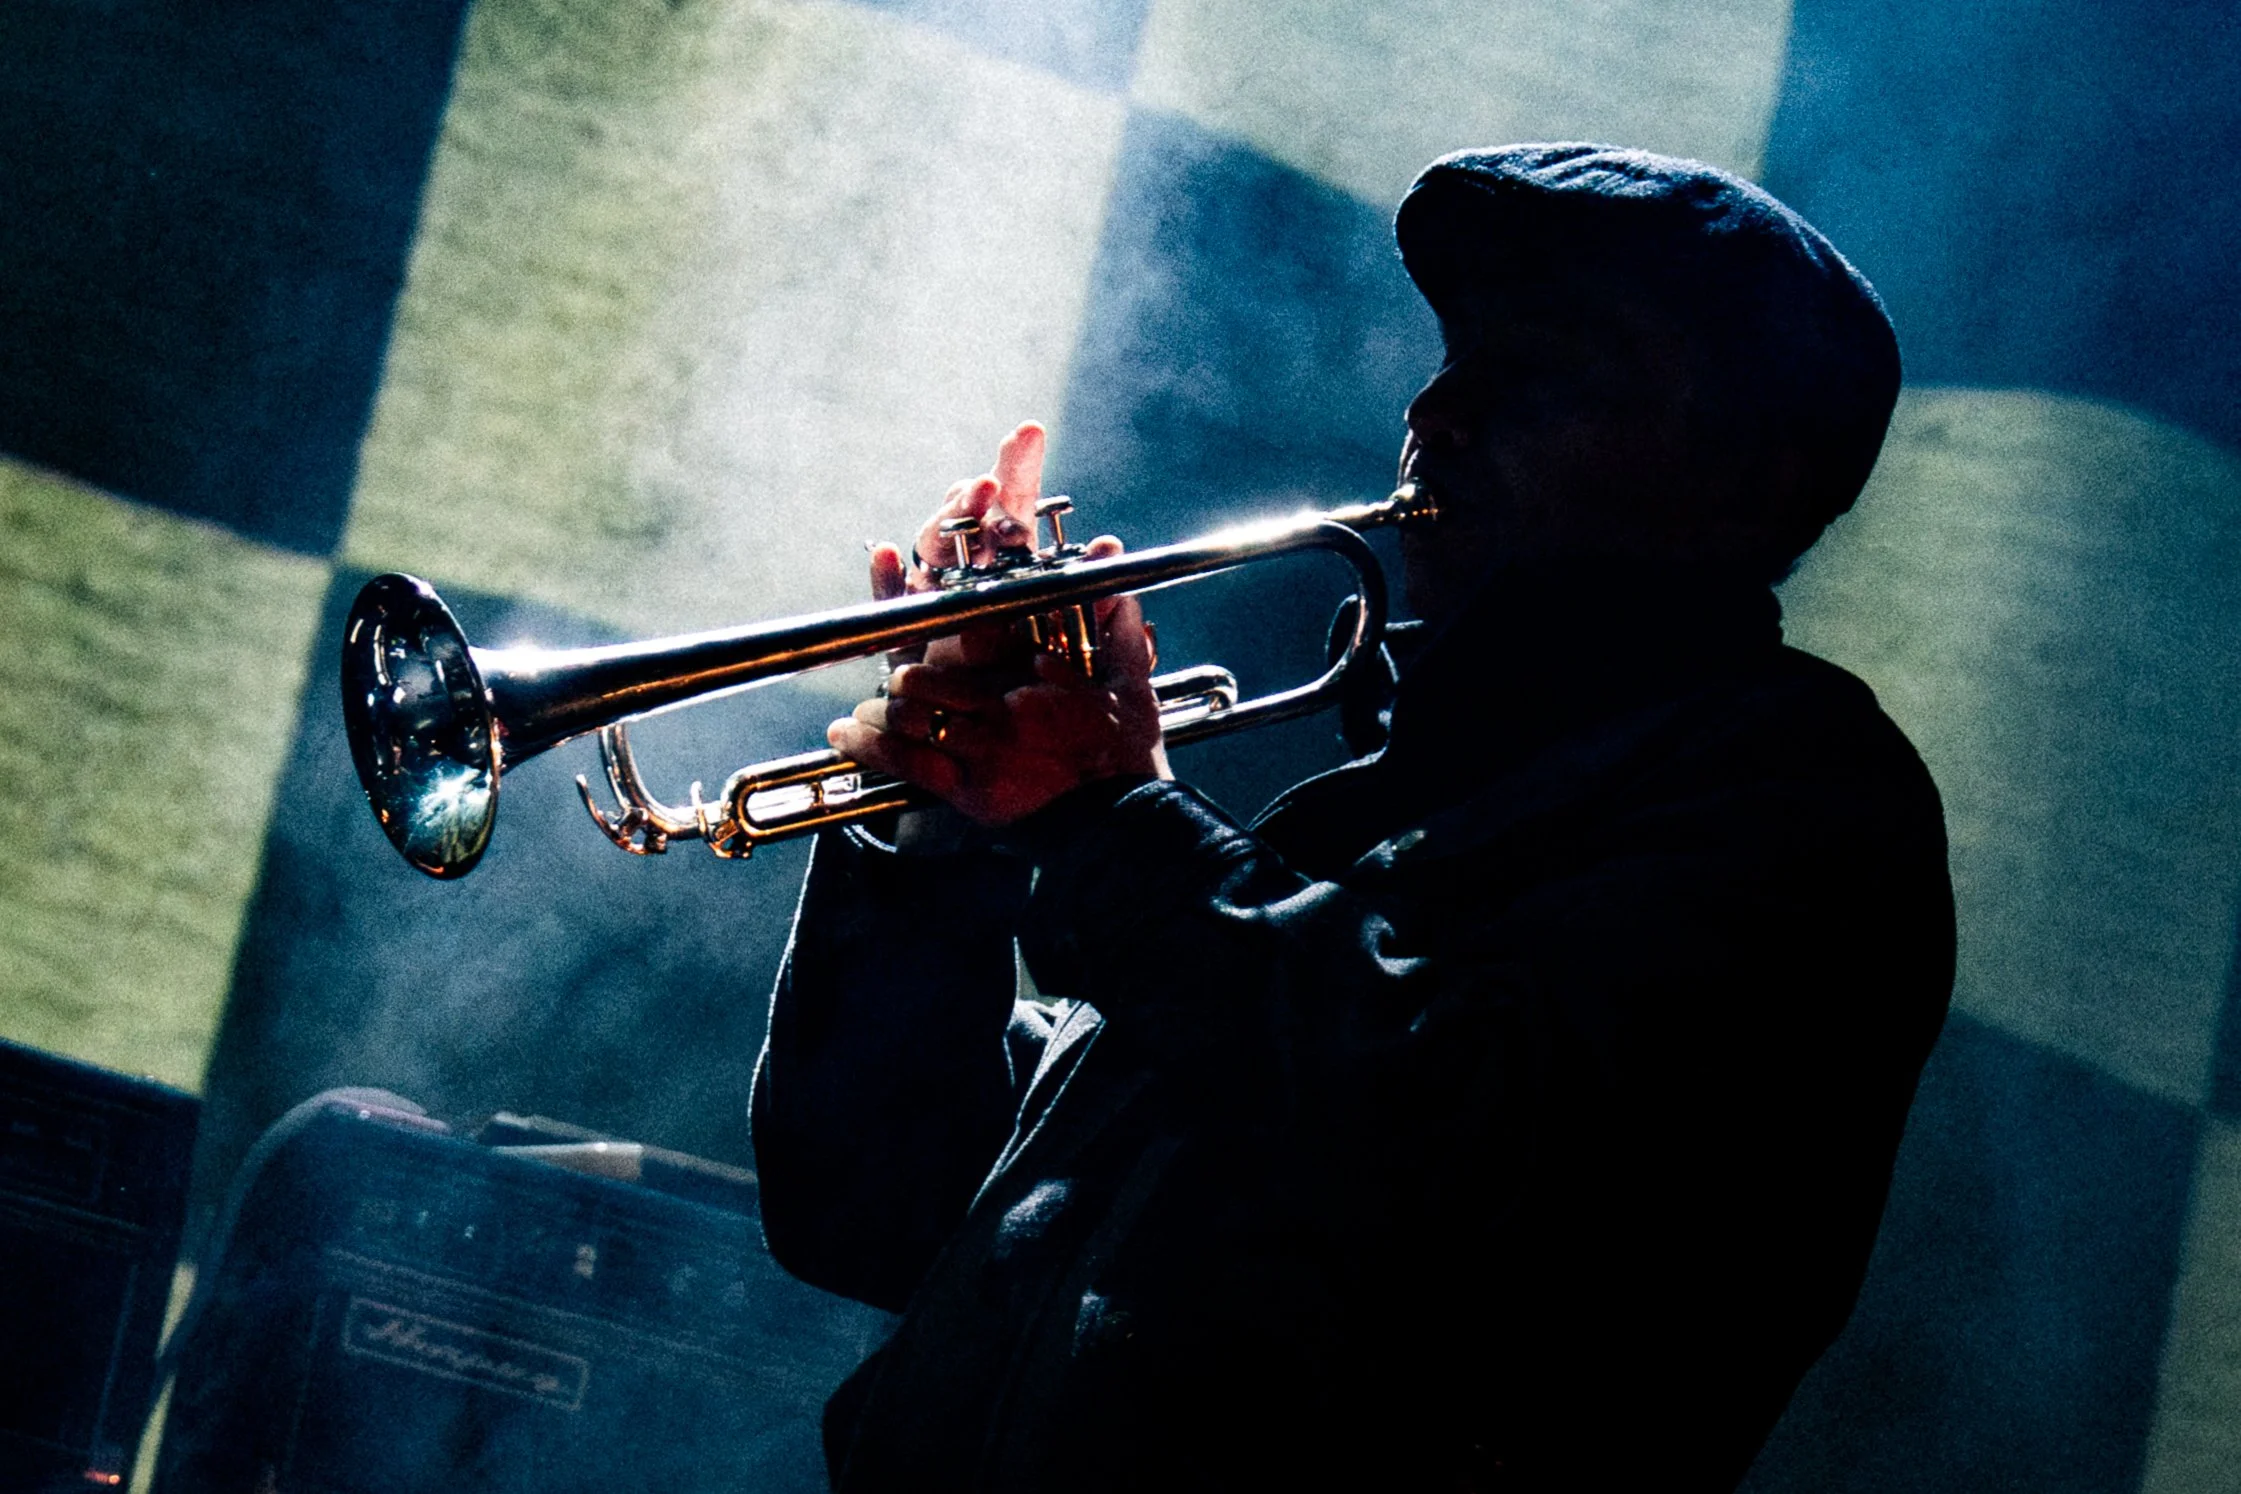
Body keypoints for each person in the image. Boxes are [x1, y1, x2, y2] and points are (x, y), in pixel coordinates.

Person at [750, 144, 1955, 1492]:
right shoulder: (1361, 826)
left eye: (1539, 368)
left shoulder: (1802, 799)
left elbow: (1469, 1163)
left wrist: (1111, 813)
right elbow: (874, 1208)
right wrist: (941, 838)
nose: (1438, 409)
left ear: (1741, 468)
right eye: (1451, 355)